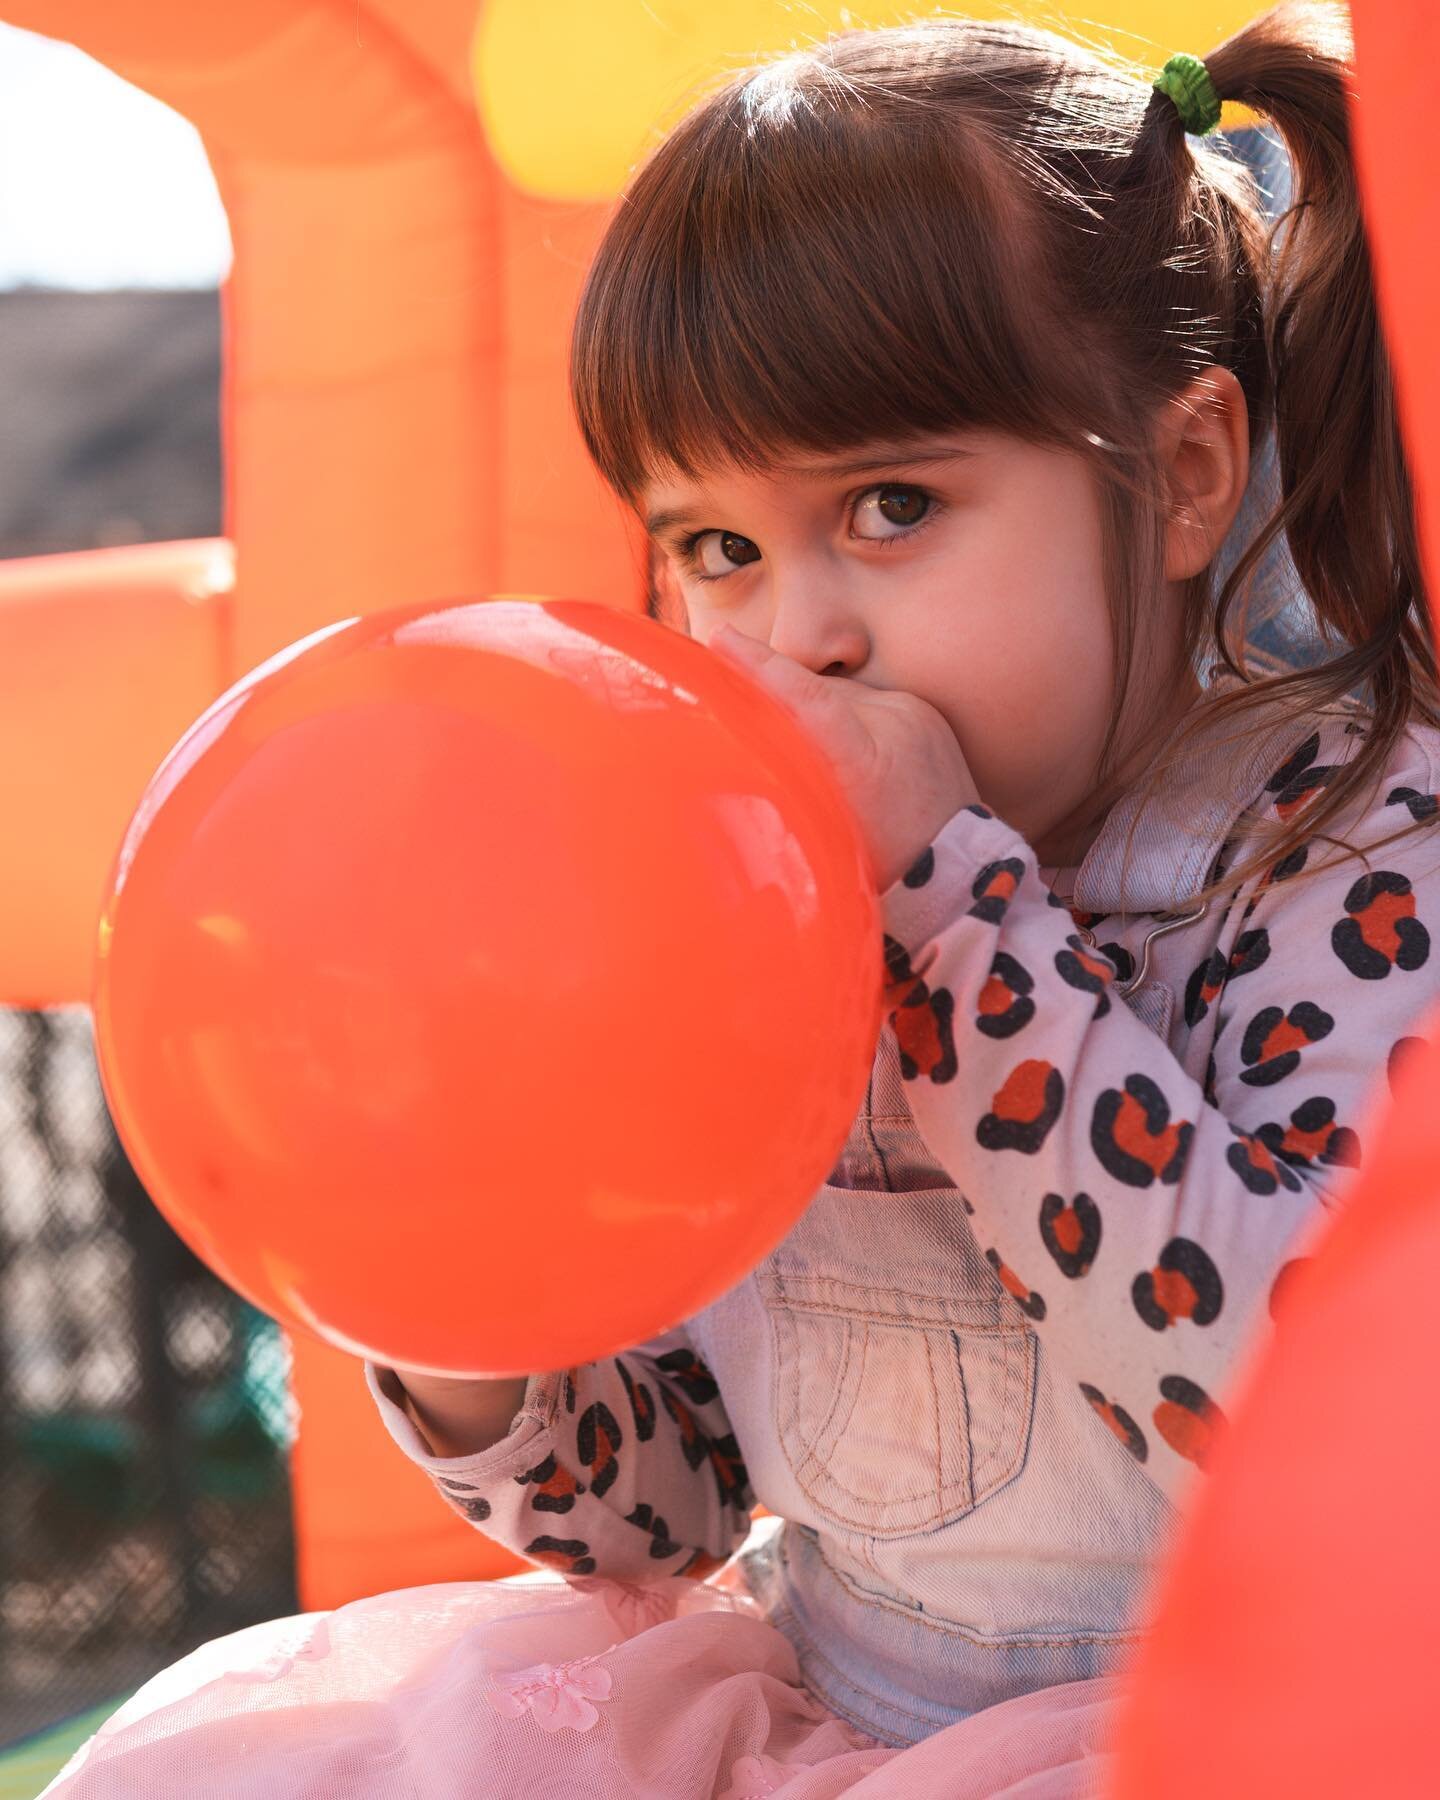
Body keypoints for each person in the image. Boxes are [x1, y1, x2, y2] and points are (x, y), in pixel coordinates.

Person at [44, 4, 1440, 1795]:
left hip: (1203, 1736)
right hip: (816, 1714)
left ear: (1180, 472)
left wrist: (956, 921)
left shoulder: (1343, 848)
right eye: (718, 549)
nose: (802, 633)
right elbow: (670, 1517)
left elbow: (1301, 1434)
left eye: (889, 506)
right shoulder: (727, 886)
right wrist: (469, 1328)